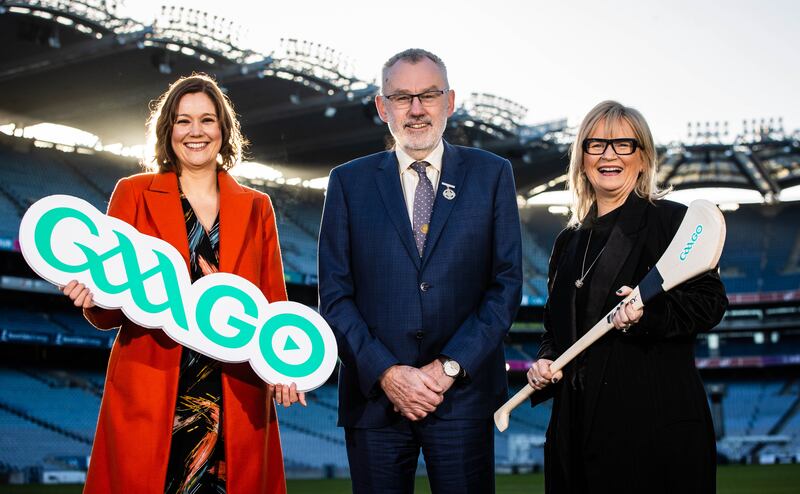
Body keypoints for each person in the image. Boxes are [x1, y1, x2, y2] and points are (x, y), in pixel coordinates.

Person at [61, 74, 304, 494]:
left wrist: (284, 367)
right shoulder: (133, 193)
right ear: (167, 130)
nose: (196, 132)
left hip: (235, 391)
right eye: (183, 120)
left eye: (207, 120)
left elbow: (272, 302)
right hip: (153, 388)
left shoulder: (257, 206)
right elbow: (108, 308)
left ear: (223, 130)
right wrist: (90, 294)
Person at [318, 48, 522, 494]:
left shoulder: (492, 175)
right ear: (381, 106)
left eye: (428, 95)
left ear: (449, 101)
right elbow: (333, 295)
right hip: (376, 401)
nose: (415, 109)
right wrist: (387, 373)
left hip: (462, 399)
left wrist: (446, 368)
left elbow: (505, 287)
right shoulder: (348, 183)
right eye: (401, 97)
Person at [526, 100, 727, 494]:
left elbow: (710, 304)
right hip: (575, 432)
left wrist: (645, 315)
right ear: (582, 158)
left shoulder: (672, 222)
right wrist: (545, 361)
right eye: (596, 144)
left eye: (623, 144)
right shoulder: (568, 242)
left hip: (652, 431)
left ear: (643, 156)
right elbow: (556, 329)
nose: (608, 155)